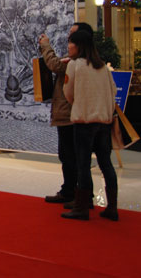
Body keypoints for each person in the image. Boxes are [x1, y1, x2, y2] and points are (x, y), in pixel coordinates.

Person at [61, 30, 118, 221]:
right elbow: (113, 91)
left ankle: (82, 207)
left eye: (71, 43)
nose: (68, 46)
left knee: (83, 164)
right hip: (104, 122)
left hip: (84, 121)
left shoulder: (75, 65)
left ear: (78, 45)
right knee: (106, 163)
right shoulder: (103, 67)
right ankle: (112, 207)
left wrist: (80, 104)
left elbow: (68, 93)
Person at [38, 22, 94, 205]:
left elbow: (55, 65)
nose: (68, 40)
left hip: (70, 115)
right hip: (76, 115)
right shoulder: (89, 61)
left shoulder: (76, 62)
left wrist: (45, 46)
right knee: (73, 156)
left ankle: (74, 193)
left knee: (71, 157)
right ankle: (77, 193)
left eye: (72, 36)